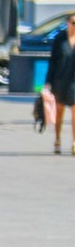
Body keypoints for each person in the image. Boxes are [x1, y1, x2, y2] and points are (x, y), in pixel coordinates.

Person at [47, 13, 75, 154]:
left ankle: (74, 143)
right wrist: (48, 82)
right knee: (59, 113)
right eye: (73, 23)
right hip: (60, 81)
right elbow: (52, 61)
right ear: (68, 23)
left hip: (74, 82)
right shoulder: (60, 39)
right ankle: (57, 139)